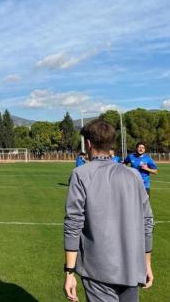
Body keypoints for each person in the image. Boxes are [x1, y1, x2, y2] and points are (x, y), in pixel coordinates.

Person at [63, 119, 154, 302]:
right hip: (132, 267)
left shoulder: (81, 174)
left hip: (98, 271)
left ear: (88, 144)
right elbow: (147, 221)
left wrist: (69, 272)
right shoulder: (134, 175)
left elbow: (73, 223)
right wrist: (146, 263)